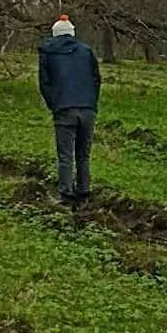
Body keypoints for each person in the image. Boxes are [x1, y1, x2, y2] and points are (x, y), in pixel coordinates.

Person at [38, 14, 101, 208]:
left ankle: (66, 193)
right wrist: (91, 101)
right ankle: (84, 191)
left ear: (54, 33)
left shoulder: (47, 52)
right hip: (87, 109)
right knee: (83, 154)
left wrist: (54, 104)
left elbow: (44, 83)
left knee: (65, 155)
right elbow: (96, 78)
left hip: (64, 108)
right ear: (72, 33)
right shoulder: (86, 51)